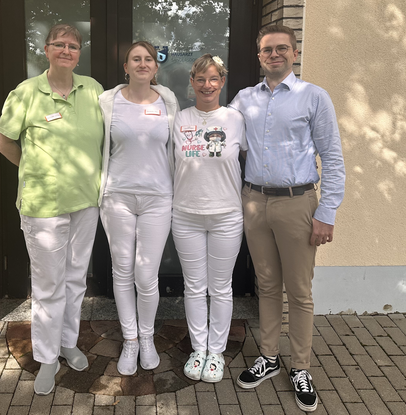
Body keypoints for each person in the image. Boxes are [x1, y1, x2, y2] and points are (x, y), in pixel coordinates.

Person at [231, 25, 345, 412]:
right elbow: (225, 141)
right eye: (267, 49)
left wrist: (326, 213)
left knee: (299, 291)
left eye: (282, 48)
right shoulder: (244, 98)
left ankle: (300, 366)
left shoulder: (314, 97)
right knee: (266, 285)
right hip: (254, 202)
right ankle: (268, 355)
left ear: (294, 53)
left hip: (298, 204)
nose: (274, 54)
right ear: (259, 56)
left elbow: (332, 158)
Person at [0, 24, 104, 396]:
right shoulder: (26, 93)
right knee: (47, 286)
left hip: (86, 202)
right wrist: (33, 169)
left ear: (79, 52)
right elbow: (3, 141)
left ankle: (67, 343)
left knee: (75, 279)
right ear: (46, 49)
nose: (67, 51)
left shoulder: (93, 90)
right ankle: (46, 357)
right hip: (43, 207)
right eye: (60, 44)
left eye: (73, 46)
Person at [98, 41, 179, 375]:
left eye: (148, 59)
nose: (142, 63)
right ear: (126, 67)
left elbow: (176, 146)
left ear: (155, 68)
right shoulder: (107, 101)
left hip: (158, 198)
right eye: (136, 59)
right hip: (117, 196)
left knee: (146, 275)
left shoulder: (169, 100)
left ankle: (147, 337)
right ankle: (130, 339)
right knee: (122, 270)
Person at [172, 54, 247, 383]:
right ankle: (198, 349)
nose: (207, 85)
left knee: (220, 288)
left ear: (222, 82)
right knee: (193, 287)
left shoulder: (235, 119)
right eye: (200, 79)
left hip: (227, 216)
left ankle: (216, 352)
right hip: (185, 215)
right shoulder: (178, 118)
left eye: (213, 78)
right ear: (192, 82)